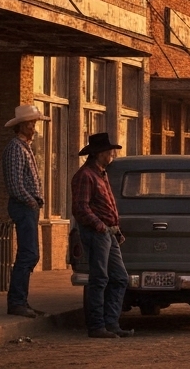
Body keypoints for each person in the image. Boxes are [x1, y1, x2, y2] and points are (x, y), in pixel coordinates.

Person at [71, 132, 131, 339]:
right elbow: (80, 208)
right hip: (97, 232)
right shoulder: (85, 176)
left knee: (120, 277)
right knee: (99, 278)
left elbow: (108, 207)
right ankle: (97, 326)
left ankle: (111, 323)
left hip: (107, 233)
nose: (112, 154)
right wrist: (100, 226)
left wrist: (115, 229)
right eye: (109, 151)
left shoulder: (101, 175)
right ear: (99, 154)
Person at [2, 104, 49, 318]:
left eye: (34, 122)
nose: (33, 127)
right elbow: (15, 185)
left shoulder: (25, 147)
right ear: (20, 125)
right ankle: (17, 301)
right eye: (30, 123)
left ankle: (21, 300)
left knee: (29, 254)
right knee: (28, 254)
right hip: (23, 206)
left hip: (28, 207)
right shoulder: (15, 148)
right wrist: (31, 201)